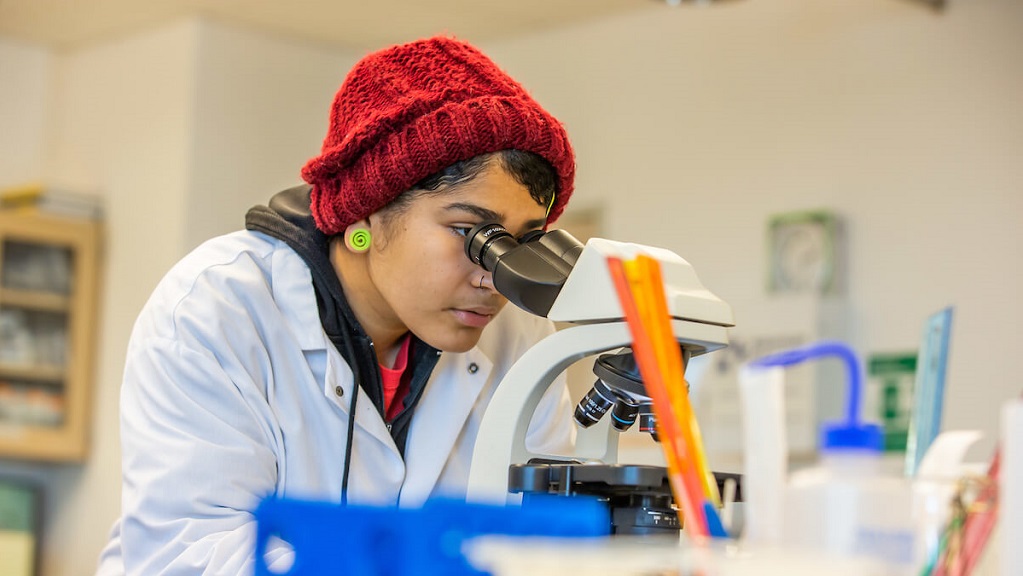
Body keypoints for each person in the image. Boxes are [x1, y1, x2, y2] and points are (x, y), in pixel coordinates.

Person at [95, 35, 578, 574]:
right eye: (469, 232)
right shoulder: (218, 309)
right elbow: (189, 552)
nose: (494, 277)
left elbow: (549, 538)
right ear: (366, 215)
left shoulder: (522, 339)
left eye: (521, 242)